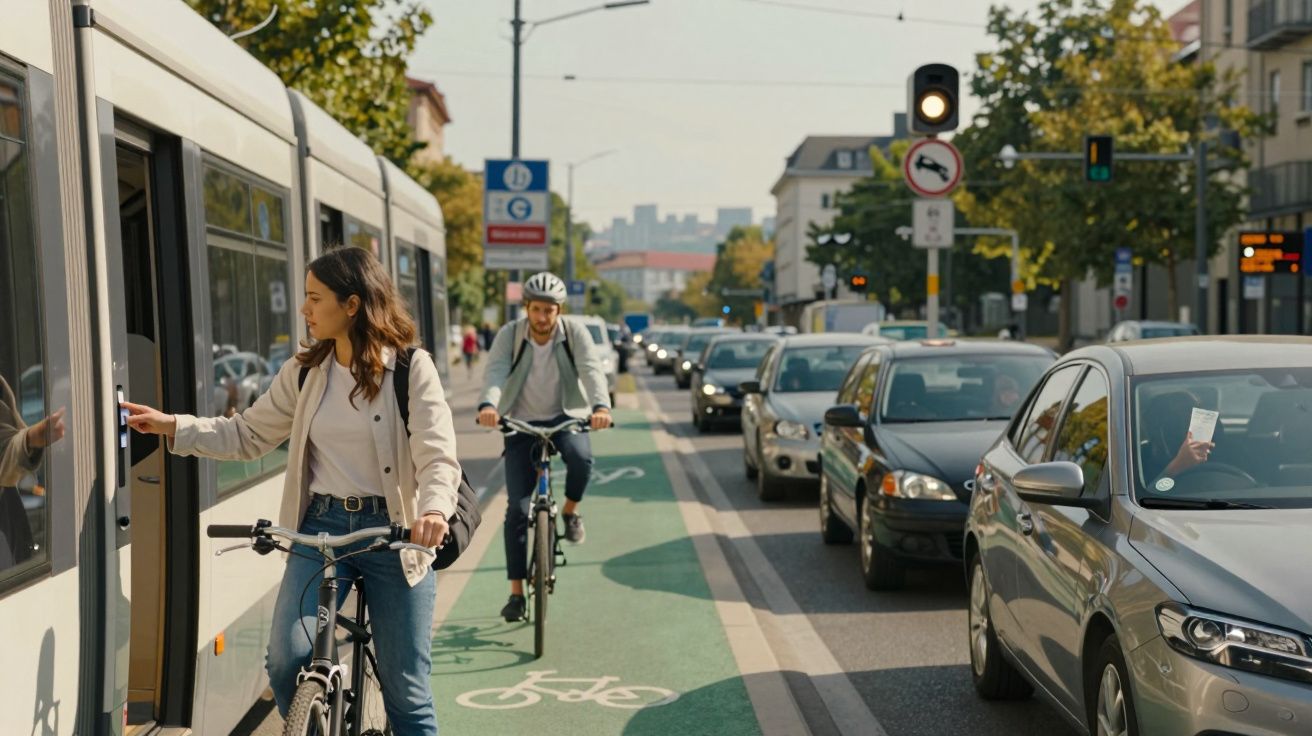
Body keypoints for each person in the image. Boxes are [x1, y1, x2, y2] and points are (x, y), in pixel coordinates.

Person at [121, 246, 461, 734]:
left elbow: (437, 454)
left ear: (352, 304)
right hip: (321, 528)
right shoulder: (305, 372)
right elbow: (247, 434)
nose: (304, 309)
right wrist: (173, 425)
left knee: (406, 692)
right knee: (286, 661)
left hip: (394, 532)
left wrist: (433, 512)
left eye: (314, 298)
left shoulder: (410, 369)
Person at [476, 271, 611, 622]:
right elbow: (495, 372)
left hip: (565, 416)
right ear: (527, 308)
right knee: (518, 511)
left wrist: (601, 407)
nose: (542, 317)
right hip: (520, 422)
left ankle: (569, 511)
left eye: (549, 310)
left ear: (558, 310)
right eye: (536, 309)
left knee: (582, 458)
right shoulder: (511, 334)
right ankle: (516, 594)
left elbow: (591, 370)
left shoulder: (574, 334)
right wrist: (489, 405)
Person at [1145, 390, 1214, 482]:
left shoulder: (1215, 455)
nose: (1185, 426)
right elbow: (1149, 490)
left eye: (1194, 418)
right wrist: (1177, 467)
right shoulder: (1134, 461)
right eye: (1175, 420)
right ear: (1154, 427)